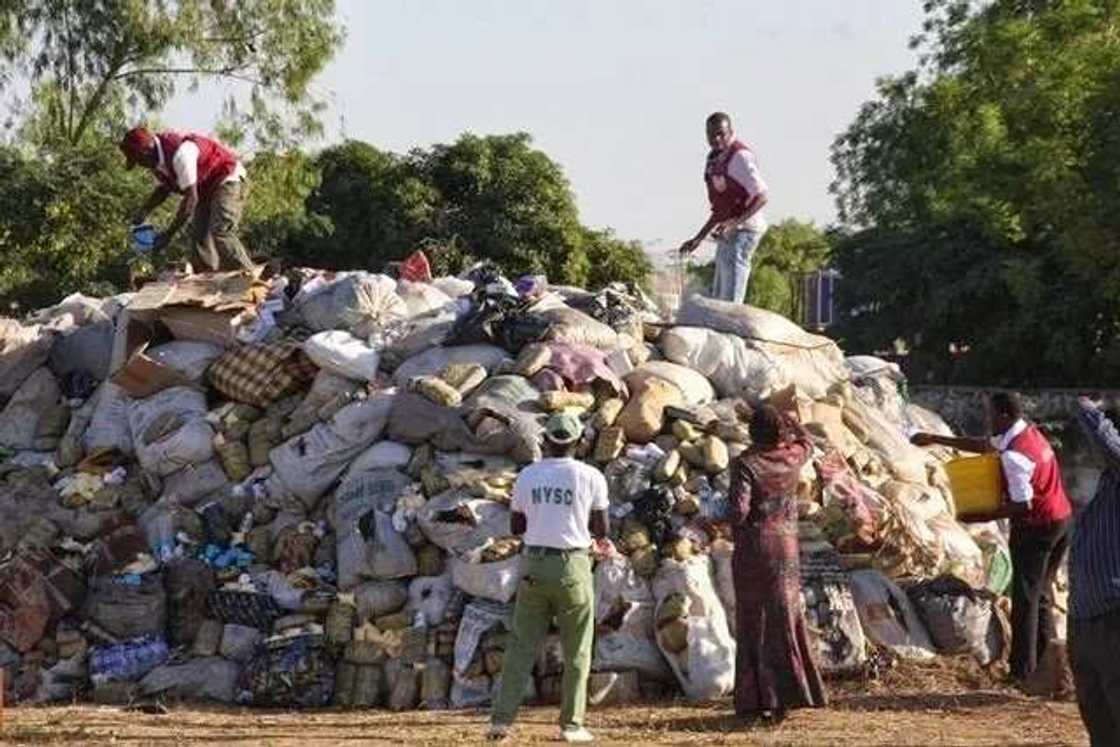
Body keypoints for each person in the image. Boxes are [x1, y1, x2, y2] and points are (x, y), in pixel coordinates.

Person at [911, 391, 1072, 682]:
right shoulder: (1026, 434)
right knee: (1041, 594)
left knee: (1024, 599)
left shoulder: (1015, 456)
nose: (988, 419)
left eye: (991, 414)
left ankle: (1022, 672)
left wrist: (980, 516)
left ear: (1005, 416)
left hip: (1037, 528)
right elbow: (984, 446)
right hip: (1061, 518)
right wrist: (936, 439)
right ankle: (1050, 665)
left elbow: (1022, 504)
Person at [488, 412, 609, 743]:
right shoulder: (591, 476)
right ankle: (572, 726)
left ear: (545, 440)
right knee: (577, 650)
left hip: (534, 566)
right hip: (573, 567)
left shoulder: (528, 476)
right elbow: (602, 529)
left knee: (521, 646)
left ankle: (501, 722)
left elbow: (517, 526)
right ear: (578, 441)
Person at [727, 403, 827, 722]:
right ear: (781, 431)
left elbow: (739, 512)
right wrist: (791, 422)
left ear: (752, 432)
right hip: (786, 546)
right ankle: (789, 695)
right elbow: (808, 440)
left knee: (754, 621)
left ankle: (759, 700)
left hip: (755, 549)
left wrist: (712, 519)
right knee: (785, 617)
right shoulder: (793, 456)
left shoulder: (746, 464)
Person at [119, 126, 254, 273]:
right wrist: (145, 210)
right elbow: (164, 189)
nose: (140, 165)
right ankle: (207, 277)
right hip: (206, 189)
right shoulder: (157, 161)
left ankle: (249, 275)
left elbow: (191, 200)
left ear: (146, 150)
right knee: (198, 238)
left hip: (227, 178)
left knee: (221, 230)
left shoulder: (181, 155)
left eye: (138, 159)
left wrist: (168, 235)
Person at [1068, 396, 1120, 746]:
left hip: (1113, 612)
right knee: (1096, 713)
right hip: (1085, 613)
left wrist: (1088, 407)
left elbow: (1106, 439)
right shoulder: (1106, 484)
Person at [679, 111, 769, 304]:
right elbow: (720, 209)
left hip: (745, 230)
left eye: (721, 134)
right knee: (719, 296)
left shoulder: (740, 156)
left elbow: (762, 196)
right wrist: (698, 238)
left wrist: (734, 223)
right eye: (711, 135)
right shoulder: (713, 160)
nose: (716, 139)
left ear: (731, 132)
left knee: (730, 299)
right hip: (728, 231)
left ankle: (733, 321)